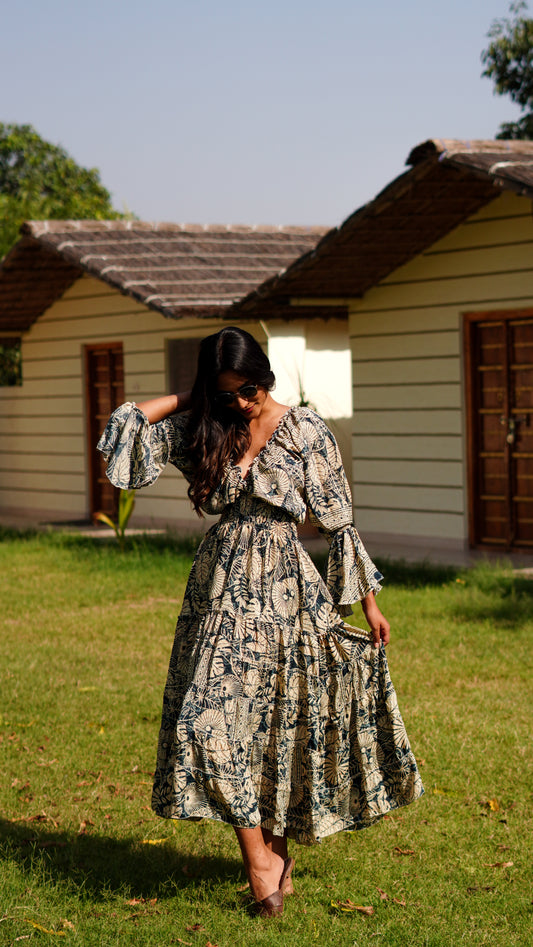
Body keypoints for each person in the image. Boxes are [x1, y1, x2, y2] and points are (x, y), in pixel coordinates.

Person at [97, 326, 423, 918]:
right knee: (206, 718)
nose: (241, 403)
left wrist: (368, 601)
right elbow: (124, 436)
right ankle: (262, 864)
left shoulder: (305, 429)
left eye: (248, 389)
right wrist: (195, 398)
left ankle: (274, 860)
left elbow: (339, 521)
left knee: (275, 724)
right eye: (227, 394)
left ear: (265, 375)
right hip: (220, 591)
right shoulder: (209, 424)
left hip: (286, 590)